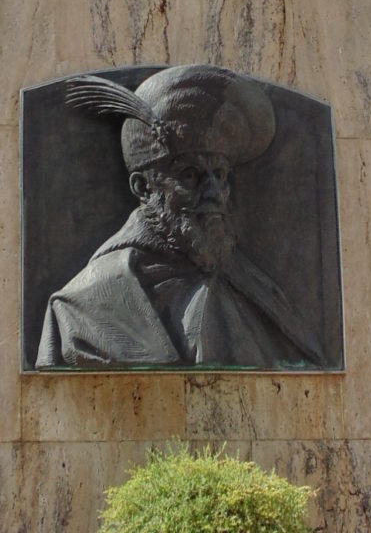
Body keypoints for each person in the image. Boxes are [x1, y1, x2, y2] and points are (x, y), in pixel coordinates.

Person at [36, 64, 323, 369]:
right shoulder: (85, 304)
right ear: (143, 187)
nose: (214, 192)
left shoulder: (254, 285)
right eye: (190, 174)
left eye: (221, 175)